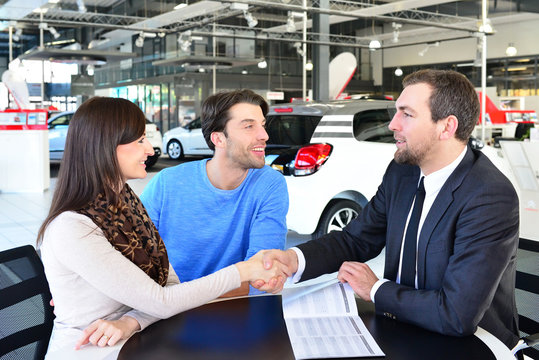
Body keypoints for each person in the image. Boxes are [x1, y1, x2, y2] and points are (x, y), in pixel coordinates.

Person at [254, 69, 520, 349]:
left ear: (447, 127)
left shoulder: (489, 196)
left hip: (474, 344)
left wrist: (375, 289)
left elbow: (456, 315)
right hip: (403, 327)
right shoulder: (402, 172)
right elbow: (356, 238)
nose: (392, 124)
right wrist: (293, 260)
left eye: (407, 114)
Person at [36, 97, 284, 354]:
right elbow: (163, 300)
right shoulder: (73, 227)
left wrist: (131, 321)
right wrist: (243, 271)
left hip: (139, 339)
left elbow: (166, 288)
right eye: (140, 140)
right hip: (90, 350)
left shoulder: (126, 204)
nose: (151, 150)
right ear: (106, 146)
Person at [140, 89, 288, 296]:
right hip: (167, 313)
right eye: (248, 126)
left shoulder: (270, 184)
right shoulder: (167, 183)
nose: (264, 135)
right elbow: (135, 260)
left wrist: (178, 296)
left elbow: (262, 276)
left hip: (232, 312)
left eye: (262, 125)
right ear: (218, 139)